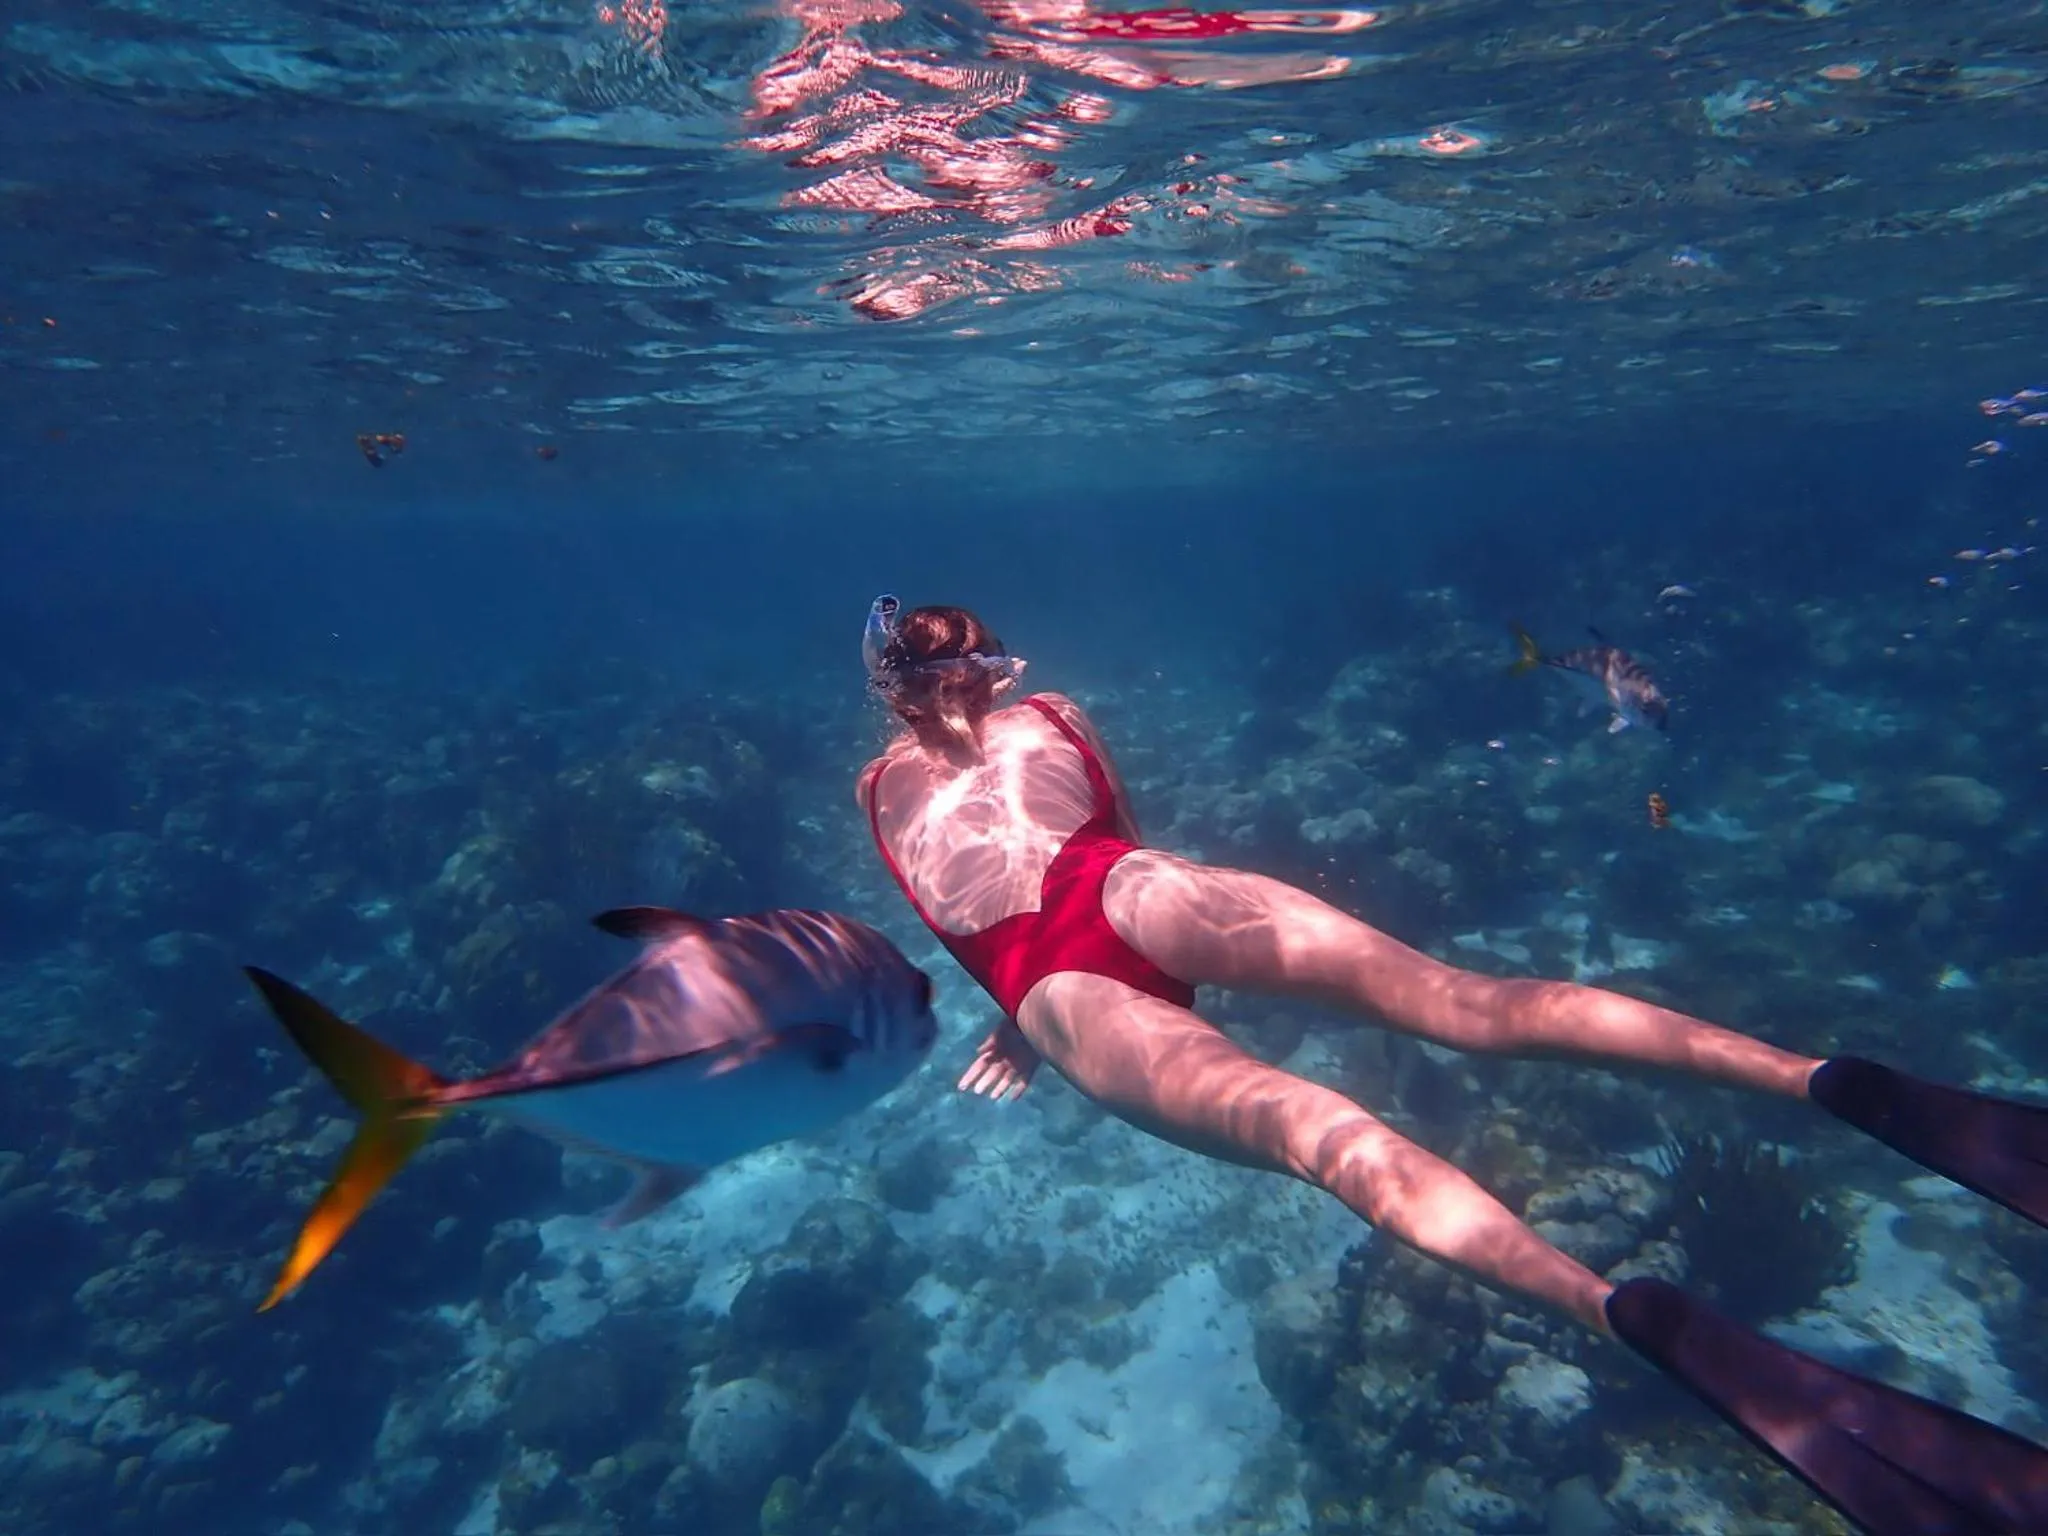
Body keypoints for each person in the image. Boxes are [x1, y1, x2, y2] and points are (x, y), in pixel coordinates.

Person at [854, 596, 2048, 1536]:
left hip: (1059, 992)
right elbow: (1109, 820)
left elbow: (962, 919)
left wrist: (1021, 1024)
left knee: (1323, 1138)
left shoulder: (874, 789)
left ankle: (1614, 1310)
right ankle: (1818, 1077)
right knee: (1463, 1000)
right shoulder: (1055, 713)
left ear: (887, 689)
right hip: (1137, 887)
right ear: (999, 670)